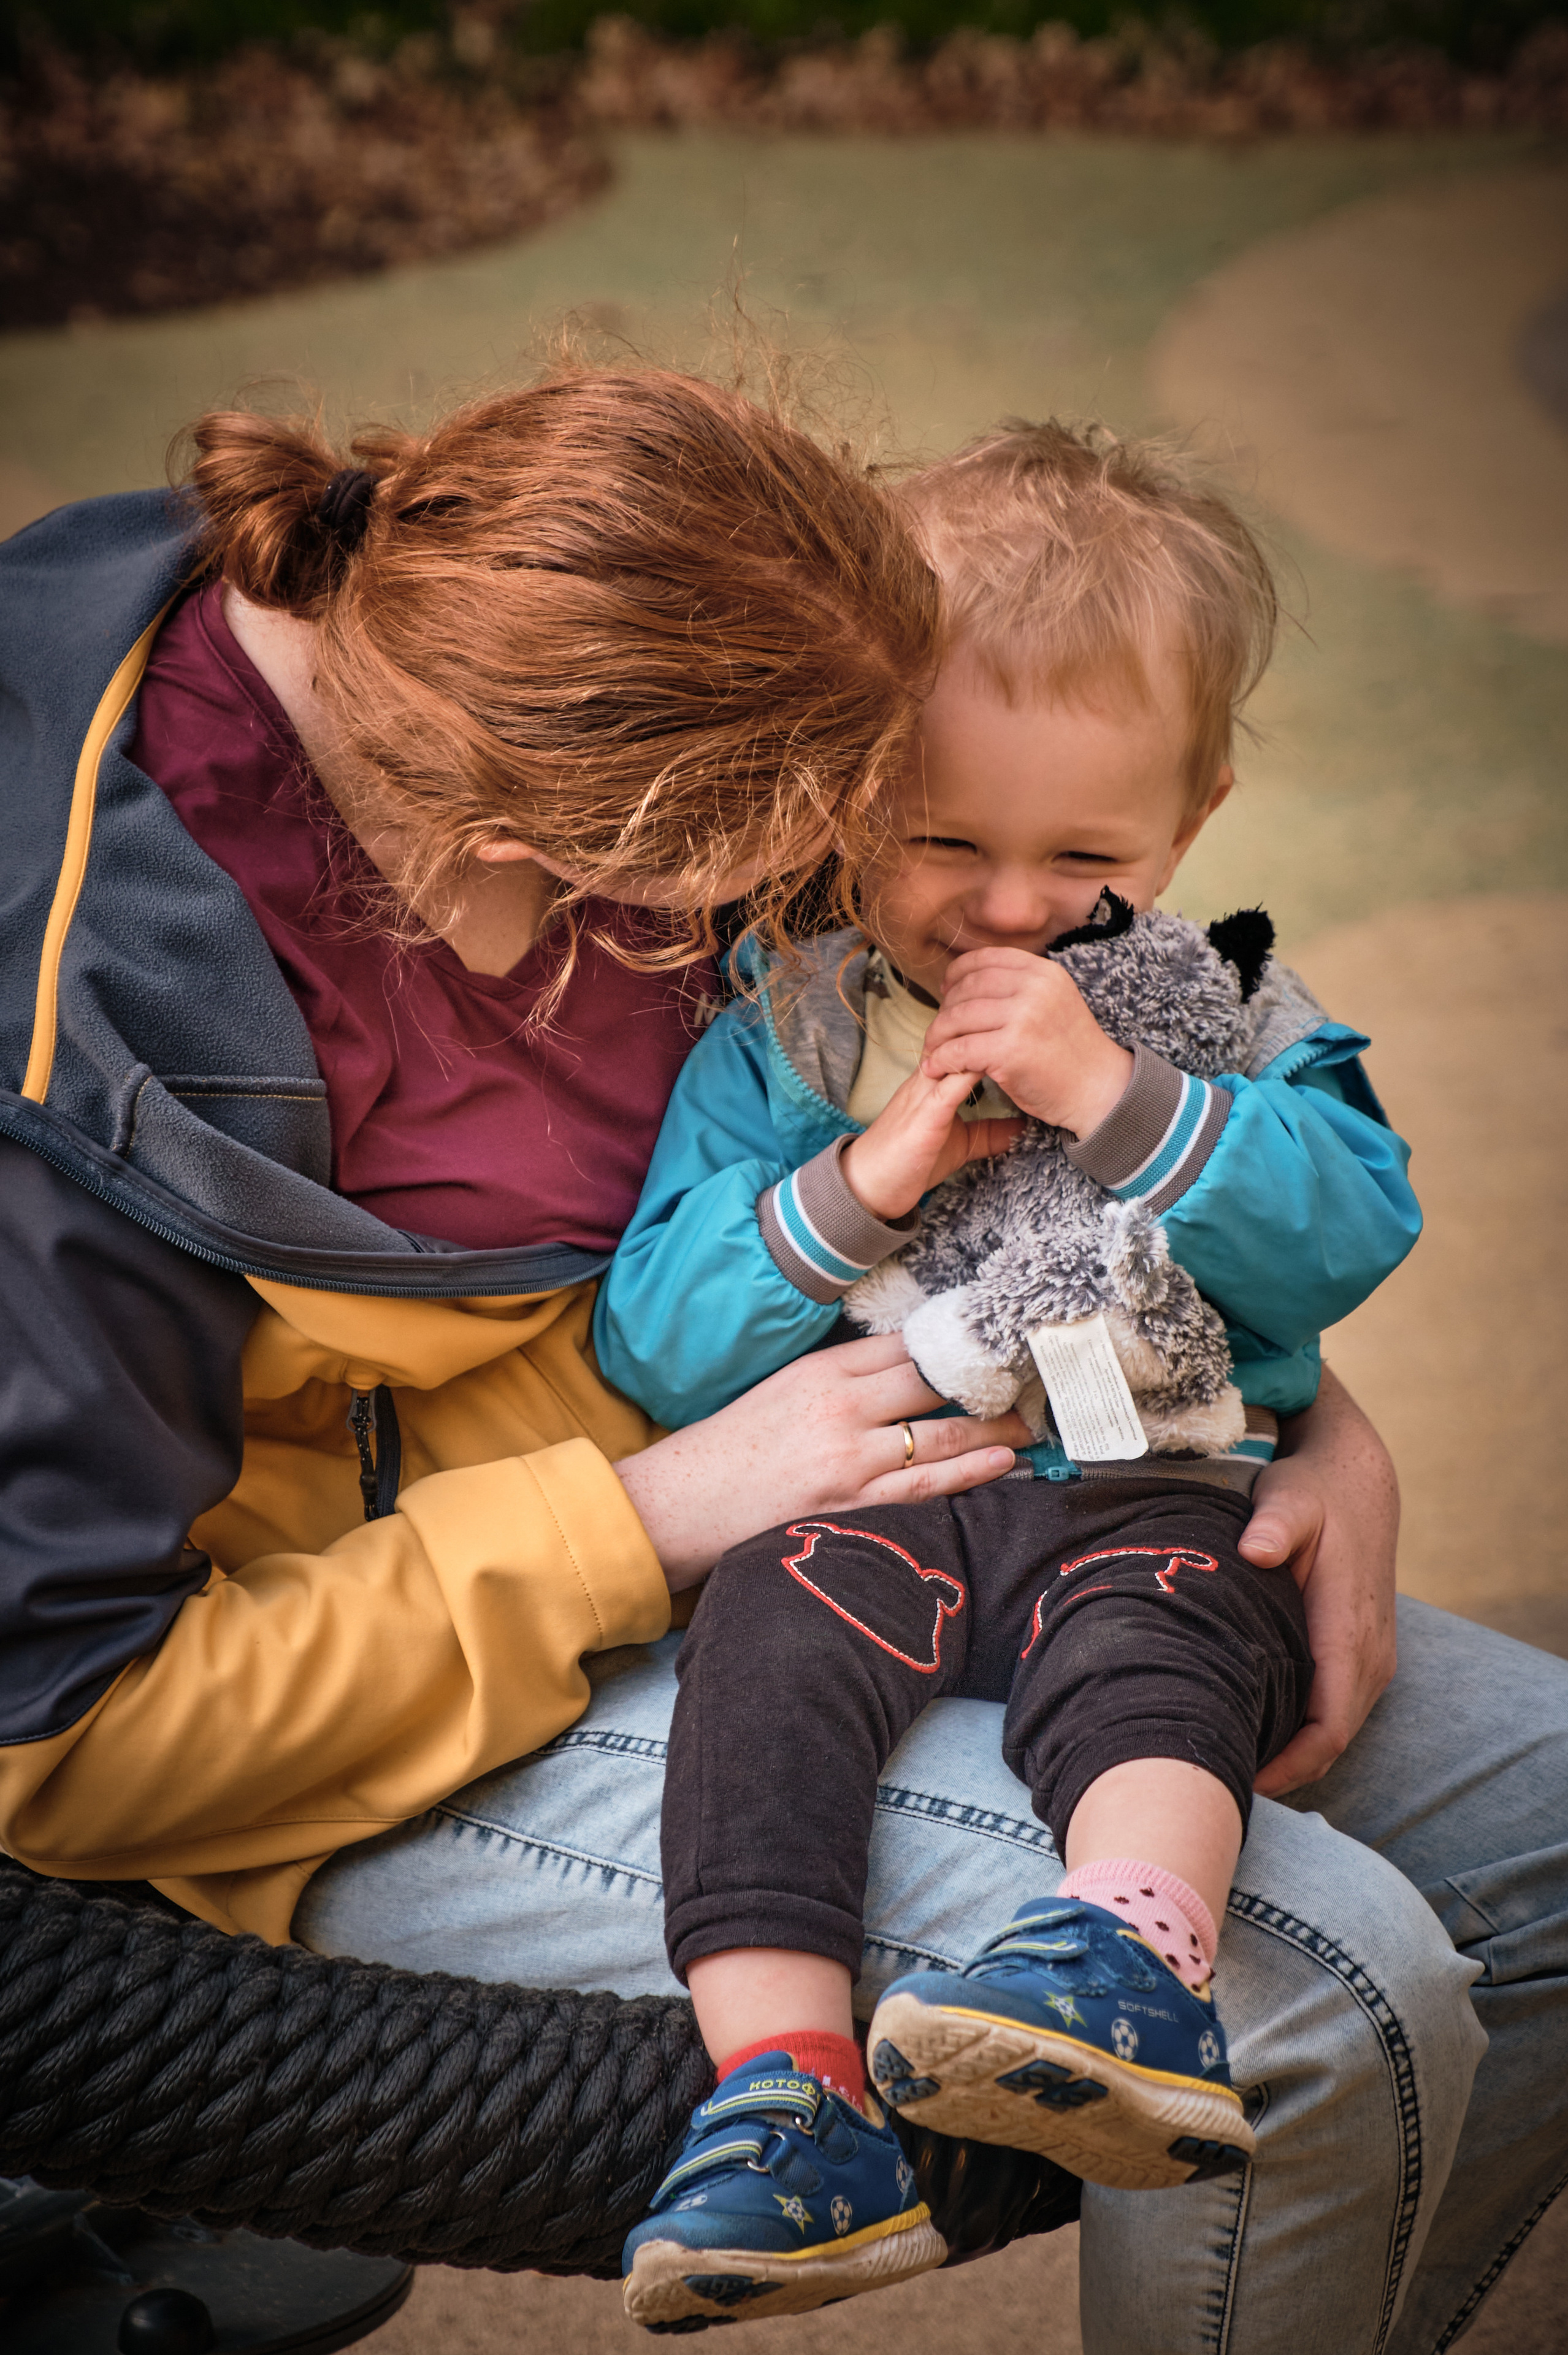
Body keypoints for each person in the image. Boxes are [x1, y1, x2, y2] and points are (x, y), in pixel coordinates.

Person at [0, 366, 1559, 2355]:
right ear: (528, 822)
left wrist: (1311, 1410)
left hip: (971, 1481)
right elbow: (62, 1735)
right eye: (815, 853)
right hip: (426, 1669)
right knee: (1305, 1997)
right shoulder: (86, 1064)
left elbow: (1203, 1154)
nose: (847, 916)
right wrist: (647, 1514)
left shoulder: (582, 620)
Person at [597, 422, 1421, 2327]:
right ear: (853, 787)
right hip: (874, 1502)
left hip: (1151, 1491)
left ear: (1193, 824)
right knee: (760, 1674)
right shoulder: (789, 1032)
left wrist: (1125, 1099)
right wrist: (857, 1183)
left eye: (1085, 857)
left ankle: (1129, 1964)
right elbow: (656, 1341)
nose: (1007, 911)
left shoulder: (1229, 1008)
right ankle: (783, 2101)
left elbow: (1350, 1233)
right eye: (946, 842)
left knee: (1168, 1652)